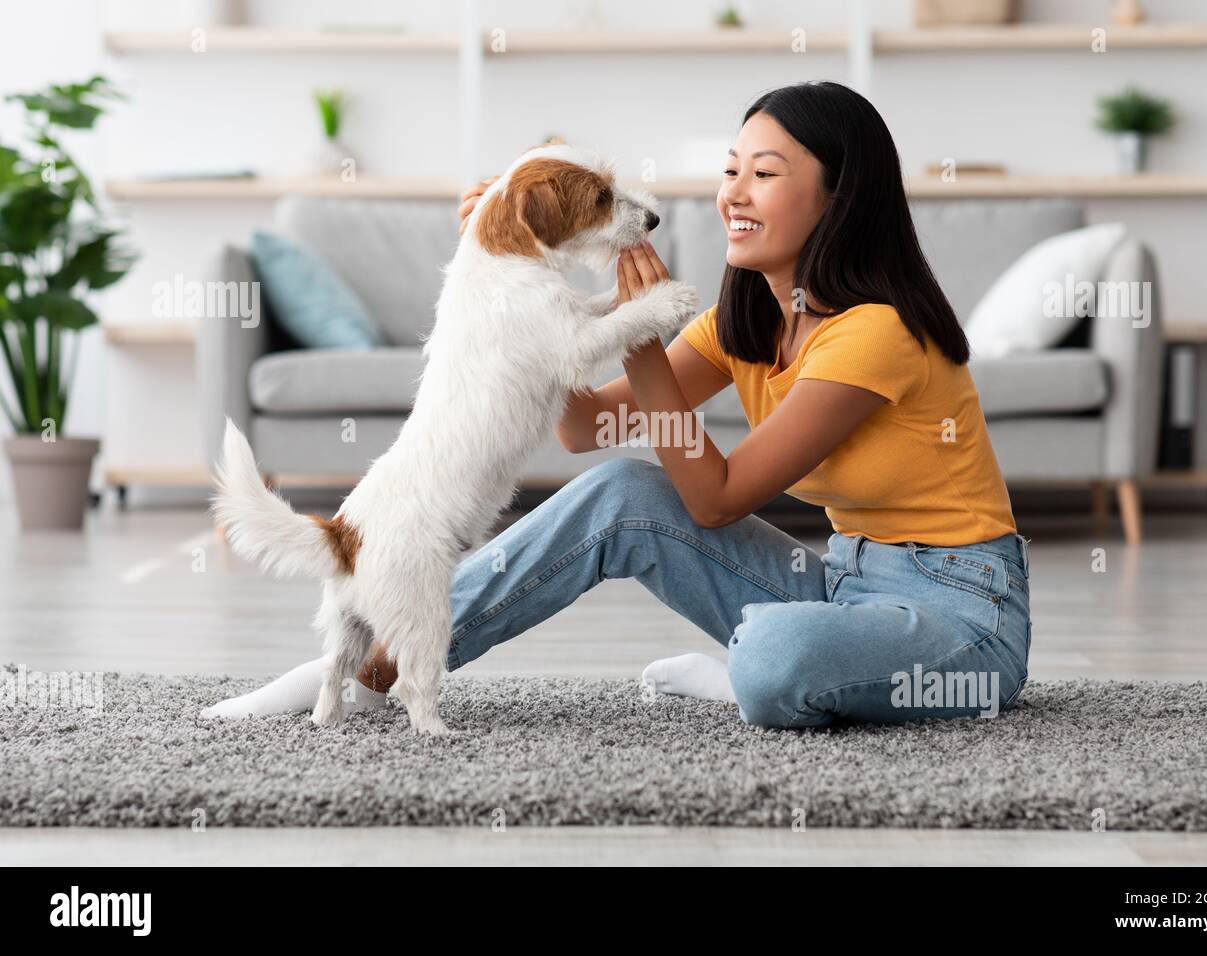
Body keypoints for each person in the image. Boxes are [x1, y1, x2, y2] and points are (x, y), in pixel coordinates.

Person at [202, 80, 1032, 729]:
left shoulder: (874, 334)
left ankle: (756, 675)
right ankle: (371, 667)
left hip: (960, 615)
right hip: (840, 585)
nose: (735, 193)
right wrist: (523, 266)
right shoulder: (745, 321)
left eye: (766, 175)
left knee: (780, 655)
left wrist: (637, 341)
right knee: (620, 493)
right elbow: (583, 427)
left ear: (839, 198)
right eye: (731, 170)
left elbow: (718, 498)